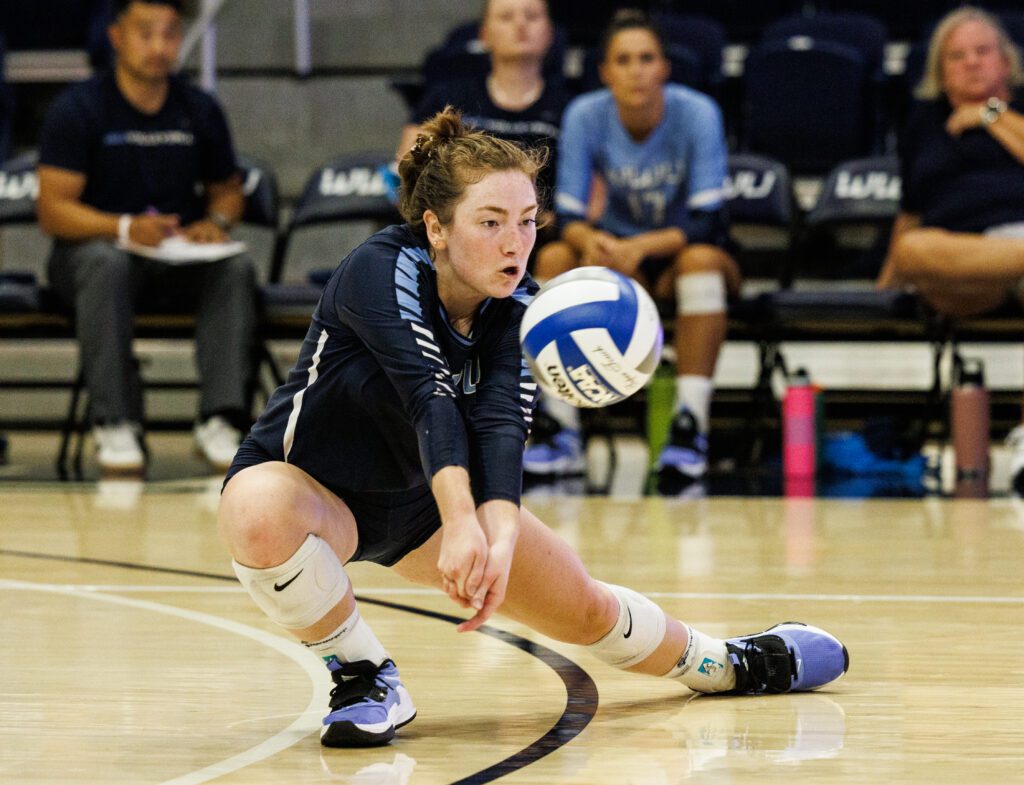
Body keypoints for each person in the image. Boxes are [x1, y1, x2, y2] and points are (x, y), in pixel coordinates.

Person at [216, 108, 848, 749]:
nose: (515, 243)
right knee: (254, 508)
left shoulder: (521, 308)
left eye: (526, 222)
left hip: (421, 505)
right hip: (313, 490)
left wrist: (496, 536)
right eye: (490, 223)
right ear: (436, 227)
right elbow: (428, 397)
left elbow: (498, 426)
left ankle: (734, 664)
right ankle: (362, 675)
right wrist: (465, 524)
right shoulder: (382, 270)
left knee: (588, 611)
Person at [524, 10, 741, 492]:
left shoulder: (698, 113)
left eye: (647, 59)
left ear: (665, 68)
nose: (636, 70)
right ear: (606, 72)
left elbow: (706, 221)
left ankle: (691, 427)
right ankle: (561, 427)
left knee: (699, 265)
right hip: (621, 258)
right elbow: (569, 214)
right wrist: (594, 242)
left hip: (688, 252)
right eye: (623, 60)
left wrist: (638, 246)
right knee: (556, 258)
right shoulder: (585, 115)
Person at [36, 0, 256, 476]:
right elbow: (52, 210)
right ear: (116, 37)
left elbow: (229, 191)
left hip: (173, 259)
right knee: (106, 263)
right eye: (145, 32)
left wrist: (215, 222)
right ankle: (115, 422)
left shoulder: (198, 108)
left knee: (234, 267)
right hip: (91, 259)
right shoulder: (78, 109)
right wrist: (121, 228)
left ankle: (220, 418)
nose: (159, 46)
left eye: (171, 34)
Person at [876, 5, 1024, 494]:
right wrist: (884, 289)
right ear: (940, 71)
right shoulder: (923, 122)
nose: (972, 63)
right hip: (957, 264)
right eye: (957, 56)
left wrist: (992, 115)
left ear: (1006, 60)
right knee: (917, 249)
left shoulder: (1018, 106)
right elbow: (910, 212)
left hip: (1017, 239)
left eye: (982, 51)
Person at [395, 0, 567, 214]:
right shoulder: (447, 97)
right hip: (458, 224)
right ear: (484, 35)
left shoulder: (571, 107)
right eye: (506, 17)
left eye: (531, 16)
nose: (520, 24)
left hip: (541, 229)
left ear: (550, 33)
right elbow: (410, 166)